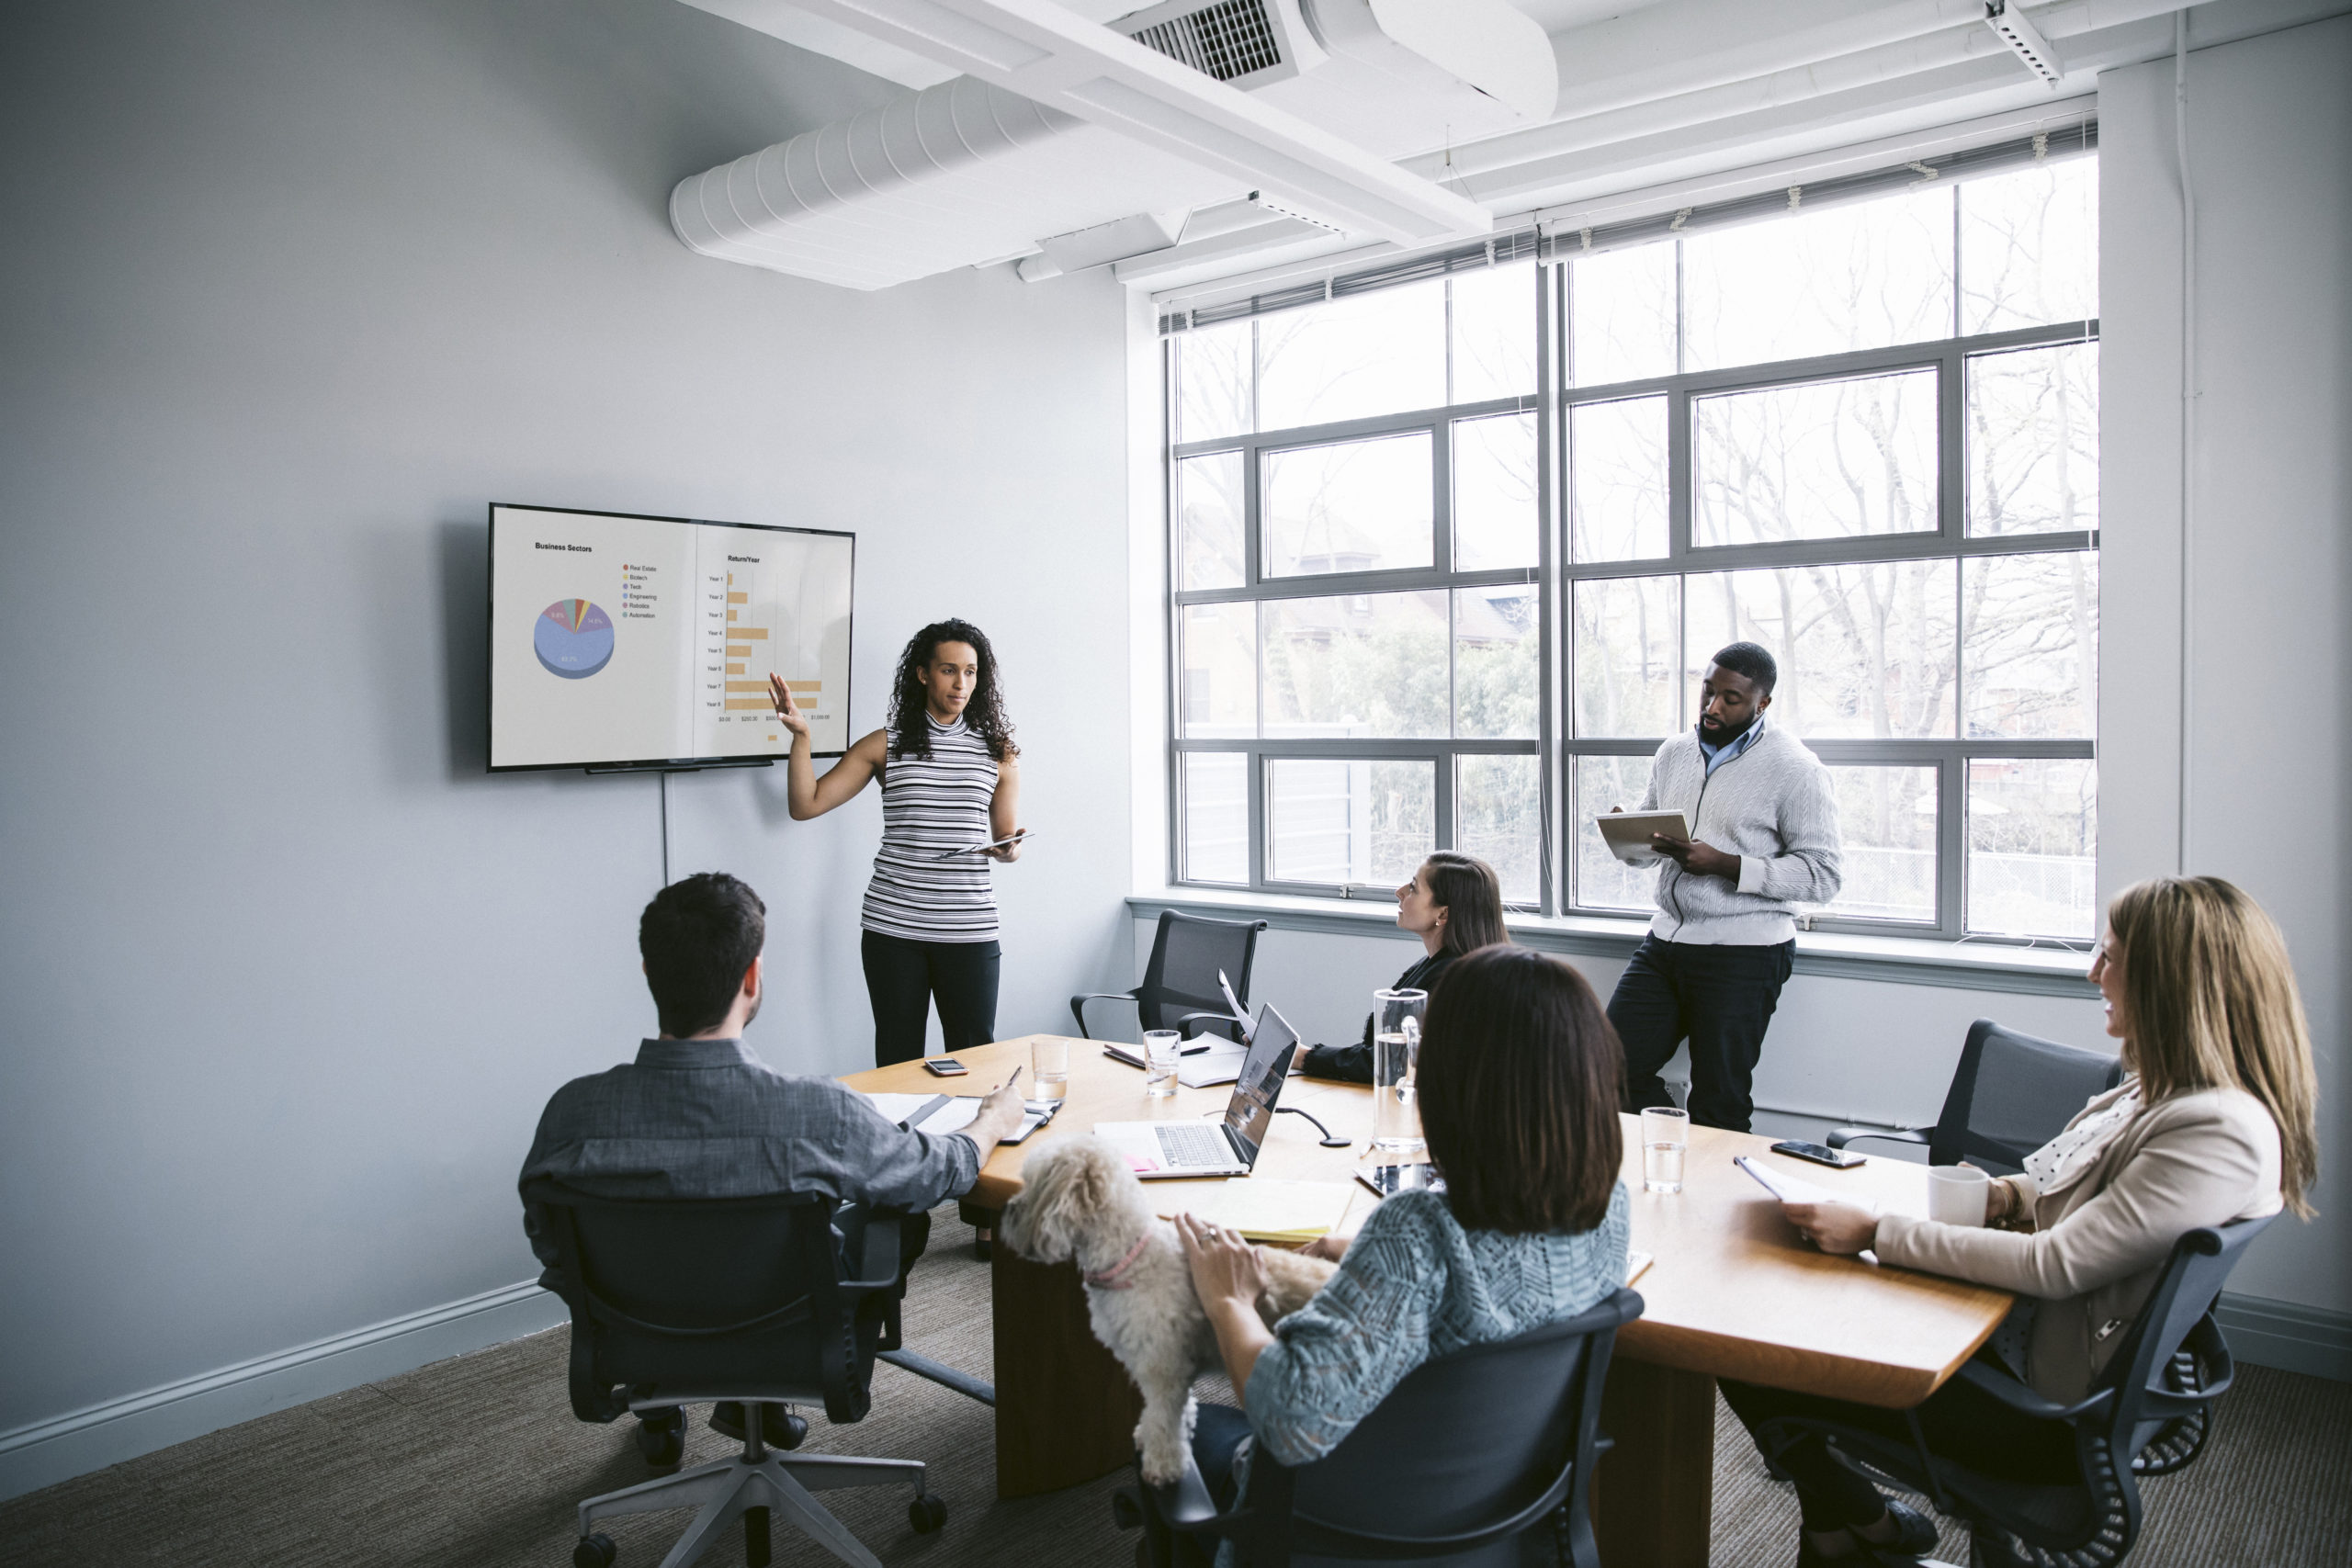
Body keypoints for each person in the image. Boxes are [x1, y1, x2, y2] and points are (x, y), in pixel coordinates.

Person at [1720, 875, 2321, 1567]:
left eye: (2109, 954)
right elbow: (2048, 1181)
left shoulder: (2215, 1130)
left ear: (2167, 980)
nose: (2093, 969)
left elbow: (2057, 1264)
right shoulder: (2160, 1088)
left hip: (2034, 1413)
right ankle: (1850, 1527)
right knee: (1772, 1304)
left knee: (1744, 1341)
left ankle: (1854, 1517)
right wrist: (1999, 1196)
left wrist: (1874, 1231)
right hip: (2013, 1338)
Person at [518, 872, 1027, 1447]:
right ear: (753, 977)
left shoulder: (572, 1114)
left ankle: (666, 1405)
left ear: (648, 975)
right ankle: (757, 1392)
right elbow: (936, 1175)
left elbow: (552, 1245)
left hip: (638, 1340)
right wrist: (990, 1122)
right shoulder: (816, 1112)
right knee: (894, 1208)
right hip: (792, 1342)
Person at [1178, 946, 1631, 1507]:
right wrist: (1368, 1256)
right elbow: (1495, 1281)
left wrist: (1229, 1300)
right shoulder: (1611, 1208)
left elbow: (1290, 1420)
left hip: (1349, 1527)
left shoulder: (1413, 1230)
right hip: (1501, 1506)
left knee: (1185, 1420)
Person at [1604, 640, 1840, 1132]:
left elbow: (1822, 875)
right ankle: (1670, 1150)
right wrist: (1632, 837)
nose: (1712, 707)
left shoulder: (1797, 769)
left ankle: (1713, 1196)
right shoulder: (1673, 753)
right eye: (1707, 691)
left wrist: (1727, 865)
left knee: (1719, 1100)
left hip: (1744, 955)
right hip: (1666, 943)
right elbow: (1651, 851)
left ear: (1762, 703)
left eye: (1730, 698)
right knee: (1605, 1066)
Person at [767, 618, 1024, 1068]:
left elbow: (1007, 838)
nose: (960, 683)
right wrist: (802, 739)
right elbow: (805, 804)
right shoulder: (886, 745)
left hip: (968, 927)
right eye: (948, 670)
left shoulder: (998, 751)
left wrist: (1009, 849)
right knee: (898, 1057)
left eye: (970, 671)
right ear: (923, 674)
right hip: (894, 929)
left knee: (974, 1059)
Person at [1292, 852, 1510, 1083]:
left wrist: (1304, 1057)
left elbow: (1396, 1062)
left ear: (1443, 913)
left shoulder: (1454, 979)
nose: (1400, 892)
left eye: (1414, 888)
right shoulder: (1436, 964)